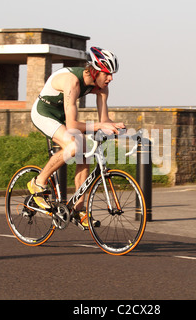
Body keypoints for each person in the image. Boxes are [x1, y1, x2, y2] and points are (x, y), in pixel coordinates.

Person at [28, 46, 126, 227]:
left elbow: (103, 120)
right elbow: (73, 124)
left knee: (85, 152)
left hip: (62, 117)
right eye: (107, 73)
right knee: (73, 146)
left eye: (112, 74)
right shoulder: (72, 81)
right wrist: (100, 125)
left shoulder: (102, 89)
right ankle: (38, 182)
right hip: (44, 113)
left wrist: (113, 126)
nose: (111, 78)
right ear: (95, 71)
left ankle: (78, 209)